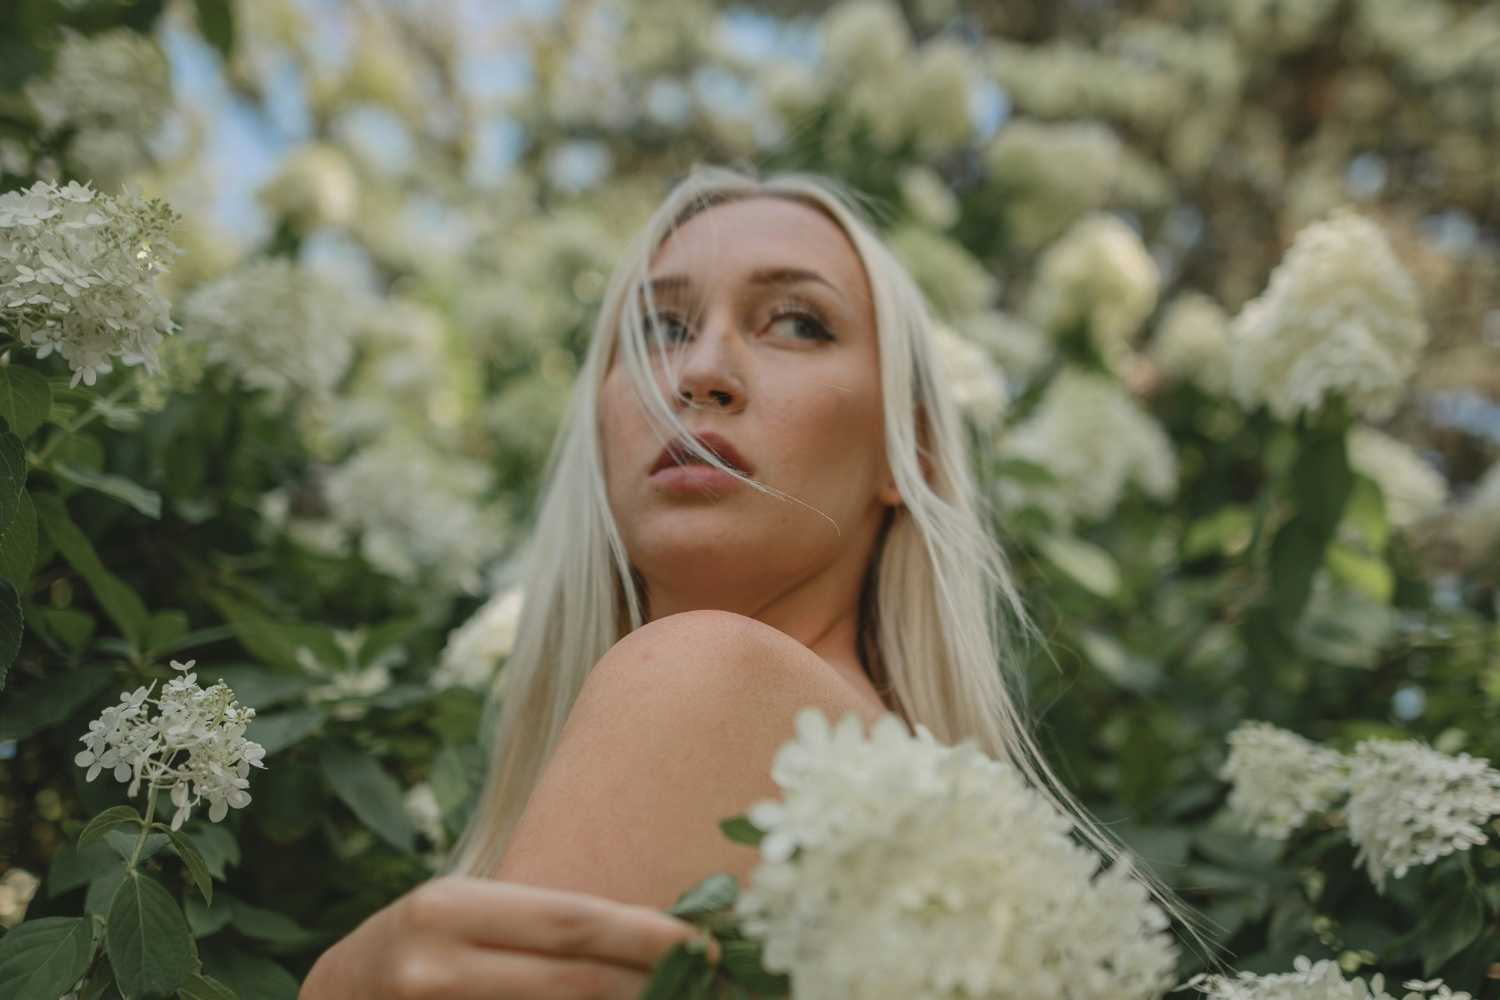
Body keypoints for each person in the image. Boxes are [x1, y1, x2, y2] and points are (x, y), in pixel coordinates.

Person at [300, 163, 1217, 998]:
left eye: (796, 322)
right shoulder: (960, 844)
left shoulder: (702, 674)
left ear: (915, 456)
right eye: (658, 328)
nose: (699, 373)